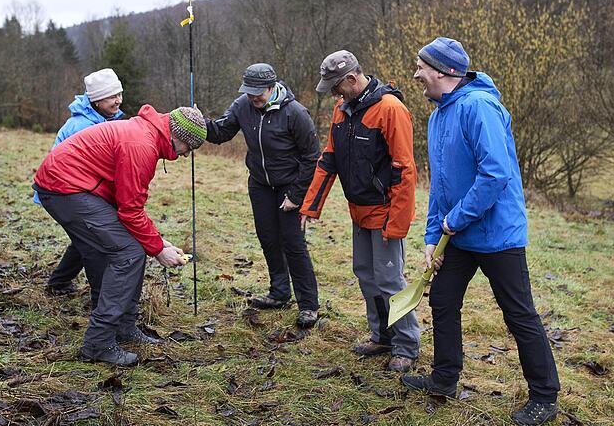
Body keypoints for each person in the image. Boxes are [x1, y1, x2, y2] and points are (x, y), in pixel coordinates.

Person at [402, 37, 560, 425]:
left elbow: (495, 174)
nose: (416, 74)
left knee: (518, 313)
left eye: (422, 67)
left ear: (441, 71)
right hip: (457, 234)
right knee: (442, 299)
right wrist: (429, 240)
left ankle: (544, 396)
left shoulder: (479, 106)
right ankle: (444, 379)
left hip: (497, 234)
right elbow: (440, 185)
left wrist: (454, 220)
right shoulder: (438, 115)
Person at [33, 104, 206, 366]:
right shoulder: (142, 146)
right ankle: (99, 343)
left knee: (117, 250)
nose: (186, 155)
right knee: (129, 253)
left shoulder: (146, 134)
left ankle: (124, 328)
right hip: (65, 188)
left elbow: (129, 204)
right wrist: (158, 249)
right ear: (177, 137)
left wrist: (159, 242)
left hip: (76, 187)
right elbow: (130, 210)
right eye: (188, 148)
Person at [300, 50, 420, 372]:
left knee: (390, 280)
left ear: (352, 79)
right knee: (366, 277)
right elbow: (329, 160)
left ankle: (406, 345)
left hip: (384, 215)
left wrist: (397, 224)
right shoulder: (342, 111)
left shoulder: (390, 109)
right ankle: (381, 336)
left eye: (337, 87)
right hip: (358, 213)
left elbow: (405, 171)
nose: (334, 95)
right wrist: (310, 207)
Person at [204, 63, 321, 328]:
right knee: (268, 238)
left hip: (289, 185)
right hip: (260, 184)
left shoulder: (295, 113)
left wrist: (296, 195)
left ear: (272, 88)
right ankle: (279, 293)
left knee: (293, 243)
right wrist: (200, 123)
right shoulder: (242, 106)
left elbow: (311, 157)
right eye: (249, 92)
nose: (253, 97)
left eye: (258, 92)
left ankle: (308, 305)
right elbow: (221, 133)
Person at [34, 68, 125, 296]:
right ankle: (102, 301)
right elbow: (81, 170)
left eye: (120, 94)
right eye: (112, 96)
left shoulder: (105, 119)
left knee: (82, 239)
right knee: (93, 244)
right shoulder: (83, 126)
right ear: (96, 99)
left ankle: (59, 283)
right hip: (65, 192)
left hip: (82, 192)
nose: (118, 100)